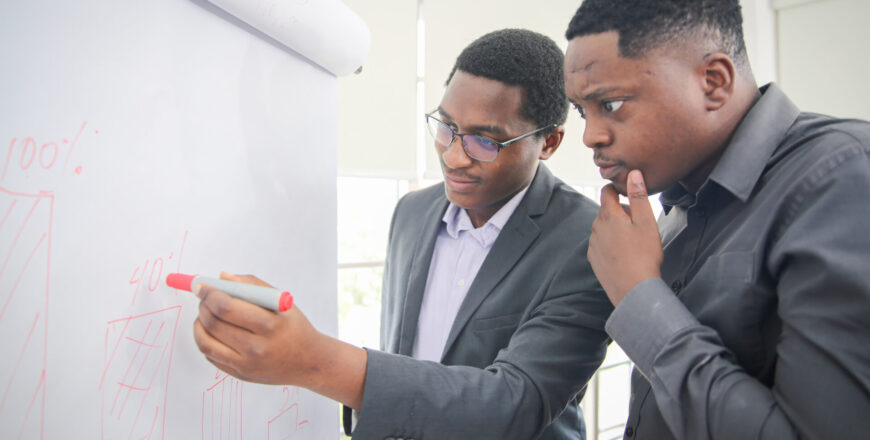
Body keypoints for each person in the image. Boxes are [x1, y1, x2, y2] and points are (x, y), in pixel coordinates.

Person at [193, 29, 613, 439]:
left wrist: (314, 360)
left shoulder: (590, 240)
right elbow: (404, 356)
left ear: (549, 143)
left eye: (485, 142)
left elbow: (515, 404)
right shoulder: (412, 212)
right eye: (446, 128)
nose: (452, 157)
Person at [562, 0, 870, 439]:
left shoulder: (844, 174)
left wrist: (638, 296)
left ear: (713, 82)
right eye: (581, 112)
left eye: (610, 104)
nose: (591, 135)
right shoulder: (676, 206)